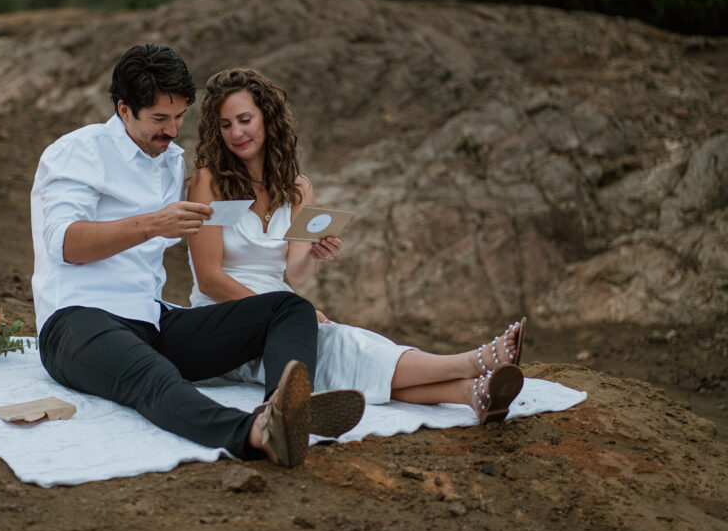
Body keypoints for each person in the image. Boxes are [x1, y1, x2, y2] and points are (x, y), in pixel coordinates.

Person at [30, 44, 363, 469]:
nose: (172, 129)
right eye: (159, 119)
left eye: (179, 116)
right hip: (76, 321)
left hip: (150, 320)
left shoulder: (171, 161)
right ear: (124, 110)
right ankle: (253, 434)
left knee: (288, 307)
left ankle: (281, 409)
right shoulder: (78, 151)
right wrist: (154, 223)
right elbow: (66, 244)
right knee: (151, 376)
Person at [187, 68, 526, 424]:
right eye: (225, 125)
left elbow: (296, 273)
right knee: (339, 348)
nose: (236, 133)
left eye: (244, 119)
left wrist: (313, 255)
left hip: (283, 310)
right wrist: (283, 311)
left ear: (267, 119)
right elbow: (209, 279)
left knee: (350, 350)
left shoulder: (298, 188)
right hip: (224, 318)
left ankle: (470, 394)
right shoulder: (209, 182)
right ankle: (473, 361)